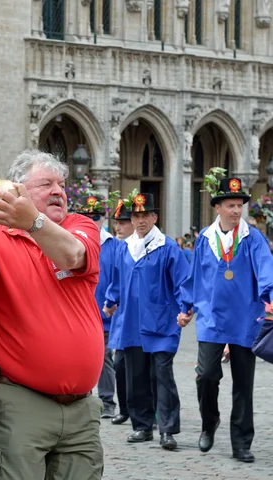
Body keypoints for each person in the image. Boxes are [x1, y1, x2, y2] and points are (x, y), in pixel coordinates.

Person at [0, 149, 104, 480]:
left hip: (81, 406)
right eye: (46, 184)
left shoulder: (79, 226)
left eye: (62, 184)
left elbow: (72, 255)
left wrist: (34, 221)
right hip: (20, 398)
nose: (58, 191)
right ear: (14, 189)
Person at [178, 177, 273, 463]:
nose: (236, 210)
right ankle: (210, 422)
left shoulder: (252, 237)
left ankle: (241, 442)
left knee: (243, 383)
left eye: (239, 205)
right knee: (206, 375)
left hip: (246, 318)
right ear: (217, 207)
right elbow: (194, 277)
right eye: (230, 205)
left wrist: (270, 295)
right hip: (211, 319)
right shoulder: (205, 238)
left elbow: (265, 268)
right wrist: (186, 307)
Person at [104, 193, 189, 450]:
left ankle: (167, 429)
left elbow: (182, 281)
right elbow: (117, 280)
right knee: (135, 376)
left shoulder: (167, 247)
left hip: (162, 322)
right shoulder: (125, 247)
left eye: (145, 215)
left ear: (155, 217)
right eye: (136, 216)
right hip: (131, 321)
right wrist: (110, 301)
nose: (140, 221)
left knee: (162, 374)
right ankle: (142, 426)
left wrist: (185, 308)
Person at [74, 194, 118, 419]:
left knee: (104, 358)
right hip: (80, 310)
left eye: (96, 217)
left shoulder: (113, 245)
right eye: (87, 216)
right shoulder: (75, 242)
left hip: (105, 311)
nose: (92, 221)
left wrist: (114, 302)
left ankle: (107, 400)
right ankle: (82, 398)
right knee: (80, 356)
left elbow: (117, 278)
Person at [108, 200, 133, 426]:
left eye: (123, 222)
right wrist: (110, 300)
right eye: (117, 223)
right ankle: (125, 408)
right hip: (122, 317)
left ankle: (150, 411)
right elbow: (116, 280)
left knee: (150, 367)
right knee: (120, 364)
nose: (119, 227)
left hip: (145, 318)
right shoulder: (120, 247)